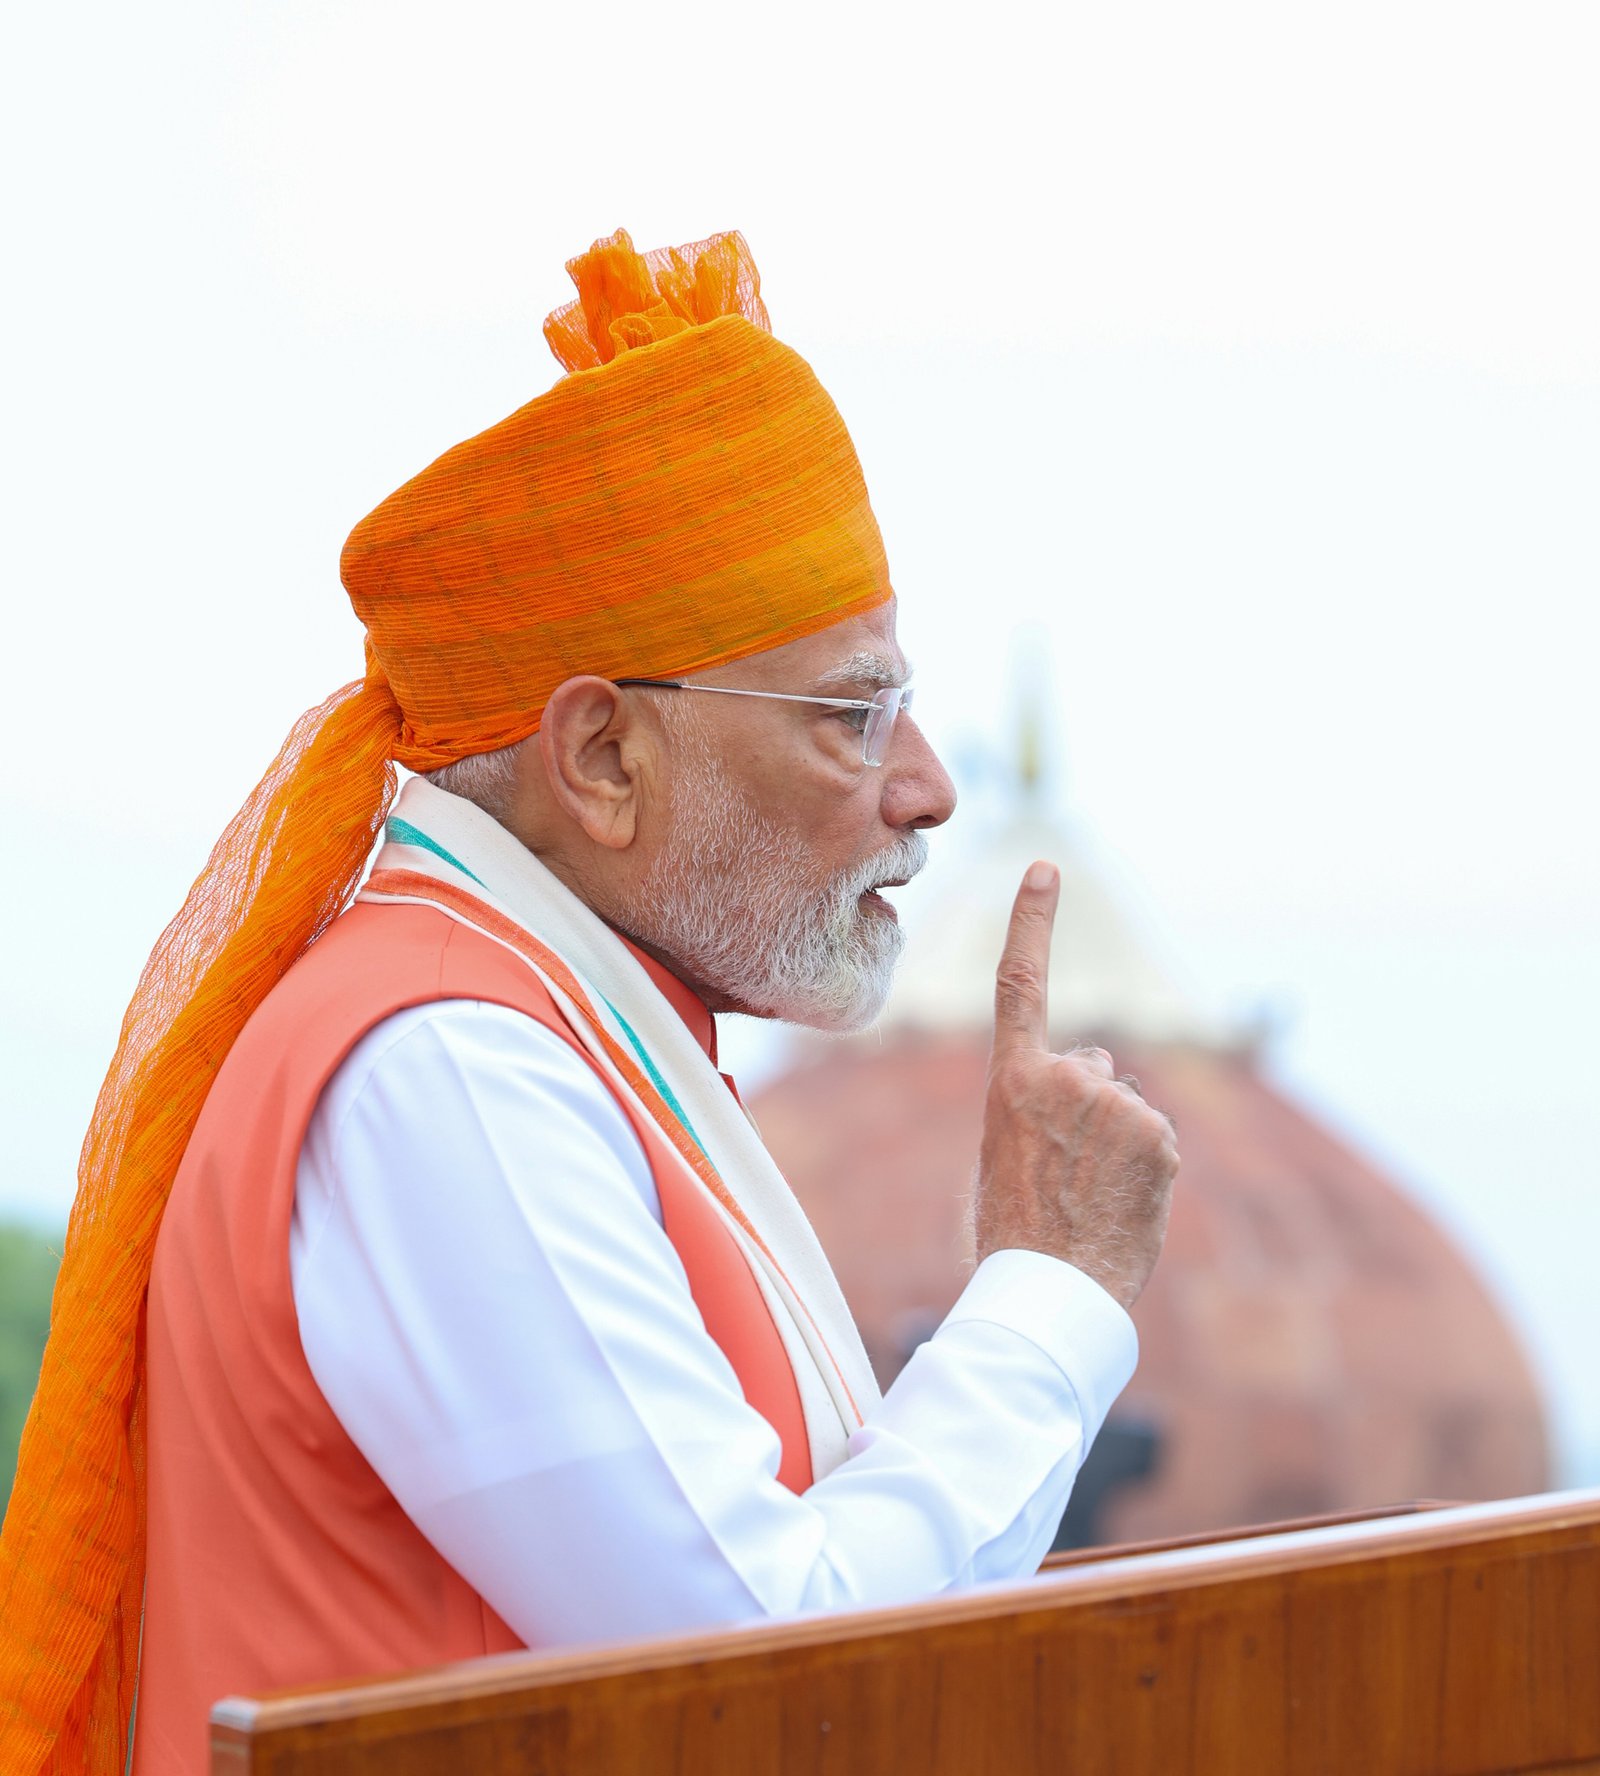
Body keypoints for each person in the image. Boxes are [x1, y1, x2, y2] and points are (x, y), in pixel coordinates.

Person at [0, 228, 1178, 1776]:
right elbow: (765, 1667)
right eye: (853, 714)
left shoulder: (546, 1021)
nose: (929, 788)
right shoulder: (449, 1069)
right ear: (606, 759)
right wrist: (1050, 1292)